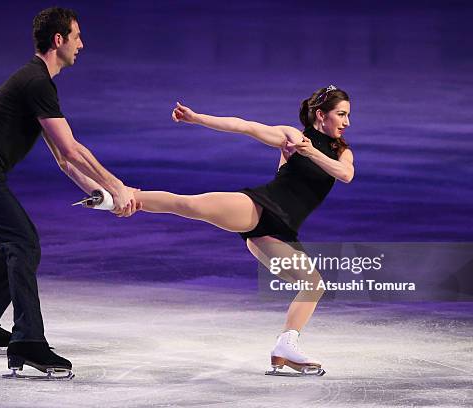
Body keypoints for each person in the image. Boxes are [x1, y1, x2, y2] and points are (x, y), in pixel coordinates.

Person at [84, 85, 353, 375]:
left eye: (348, 115)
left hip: (279, 233)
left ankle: (285, 346)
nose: (347, 122)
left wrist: (312, 153)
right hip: (260, 209)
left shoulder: (342, 152)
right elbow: (245, 126)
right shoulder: (292, 136)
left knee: (313, 284)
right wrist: (198, 118)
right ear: (320, 114)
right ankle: (119, 197)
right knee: (189, 206)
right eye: (341, 114)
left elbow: (345, 174)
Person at [0, 7, 139, 378]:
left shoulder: (37, 82)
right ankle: (28, 341)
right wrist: (117, 186)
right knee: (24, 242)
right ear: (58, 40)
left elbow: (65, 162)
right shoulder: (37, 82)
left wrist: (99, 195)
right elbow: (72, 149)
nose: (82, 44)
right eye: (77, 36)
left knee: (16, 240)